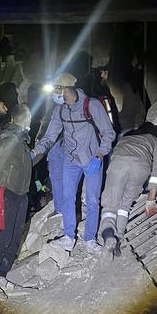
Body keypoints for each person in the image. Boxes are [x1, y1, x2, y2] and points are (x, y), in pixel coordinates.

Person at [32, 73, 116, 253]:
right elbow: (50, 136)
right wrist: (34, 152)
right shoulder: (60, 109)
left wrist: (100, 155)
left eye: (57, 89)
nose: (55, 93)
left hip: (92, 159)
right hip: (70, 160)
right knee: (68, 198)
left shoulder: (91, 105)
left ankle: (90, 240)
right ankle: (69, 236)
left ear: (68, 89)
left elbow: (109, 133)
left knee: (93, 201)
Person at [0, 104, 32, 297]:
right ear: (23, 119)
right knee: (5, 237)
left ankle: (2, 274)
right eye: (29, 118)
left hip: (21, 193)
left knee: (16, 237)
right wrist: (15, 136)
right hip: (6, 191)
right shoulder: (7, 134)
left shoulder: (23, 140)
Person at [98, 128, 157, 252]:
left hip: (119, 162)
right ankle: (118, 238)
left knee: (110, 205)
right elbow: (156, 172)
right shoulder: (154, 140)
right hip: (140, 167)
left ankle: (108, 233)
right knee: (124, 206)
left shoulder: (125, 138)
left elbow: (112, 158)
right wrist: (151, 200)